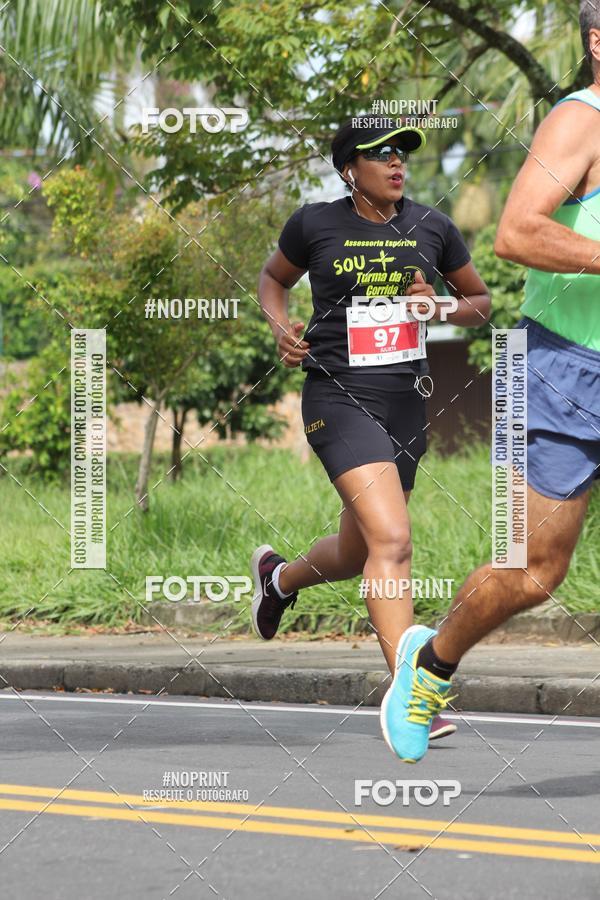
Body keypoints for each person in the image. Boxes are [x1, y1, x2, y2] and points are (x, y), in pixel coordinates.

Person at [385, 0, 600, 764]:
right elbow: (516, 232)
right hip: (563, 368)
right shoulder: (581, 119)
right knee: (533, 572)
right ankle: (432, 664)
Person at [251, 115, 491, 749]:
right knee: (393, 537)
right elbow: (273, 279)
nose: (395, 162)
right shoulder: (314, 223)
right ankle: (411, 695)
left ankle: (277, 579)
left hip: (406, 404)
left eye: (401, 153)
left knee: (361, 551)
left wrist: (433, 305)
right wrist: (281, 327)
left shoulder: (432, 227)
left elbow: (480, 304)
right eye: (379, 153)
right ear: (348, 169)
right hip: (337, 396)